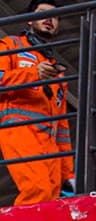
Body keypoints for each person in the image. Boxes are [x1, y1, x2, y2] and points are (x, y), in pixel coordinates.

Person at [0, 3, 73, 206]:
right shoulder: (10, 45)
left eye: (55, 16)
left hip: (51, 145)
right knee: (37, 190)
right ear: (30, 20)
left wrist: (69, 173)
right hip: (21, 130)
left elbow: (63, 128)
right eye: (43, 14)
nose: (50, 18)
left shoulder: (57, 70)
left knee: (52, 201)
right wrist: (33, 74)